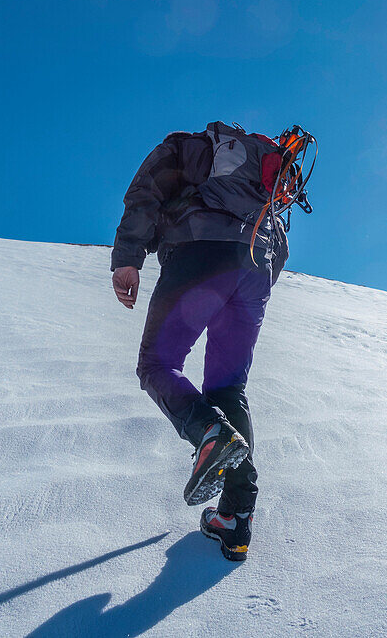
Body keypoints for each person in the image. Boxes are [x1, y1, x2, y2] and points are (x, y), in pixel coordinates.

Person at [110, 120, 312, 561]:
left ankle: (208, 432)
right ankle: (235, 518)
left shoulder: (190, 146)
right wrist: (252, 284)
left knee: (157, 365)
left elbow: (146, 190)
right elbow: (281, 242)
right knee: (228, 388)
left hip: (201, 253)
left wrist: (128, 259)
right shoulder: (269, 183)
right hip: (256, 270)